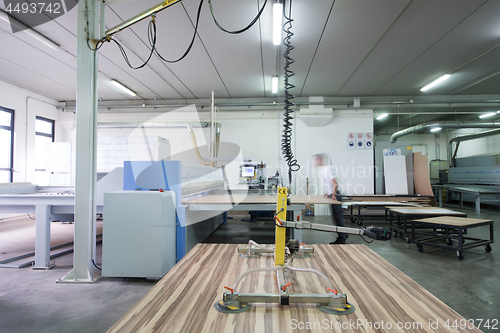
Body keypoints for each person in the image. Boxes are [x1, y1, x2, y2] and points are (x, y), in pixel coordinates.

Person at [312, 154, 347, 244]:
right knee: (336, 217)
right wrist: (328, 192)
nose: (313, 162)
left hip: (335, 195)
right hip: (331, 194)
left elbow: (335, 183)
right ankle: (344, 234)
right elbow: (329, 184)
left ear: (319, 160)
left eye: (315, 160)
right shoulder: (322, 170)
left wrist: (333, 194)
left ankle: (342, 238)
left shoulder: (327, 169)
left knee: (338, 218)